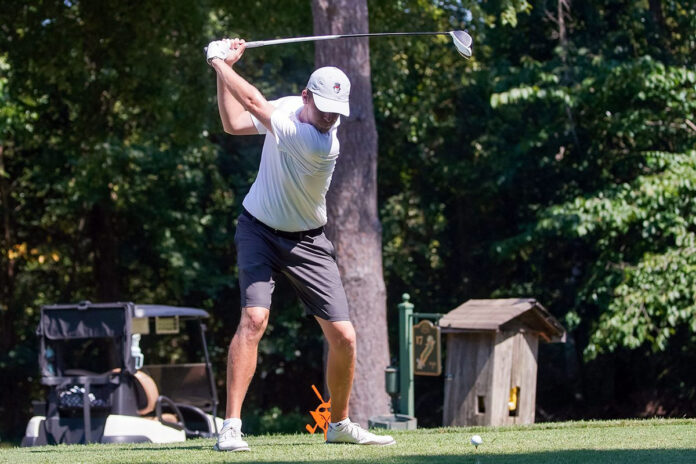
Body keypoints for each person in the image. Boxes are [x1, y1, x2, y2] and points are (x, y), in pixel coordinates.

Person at [206, 38, 395, 452]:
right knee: (254, 320)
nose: (331, 119)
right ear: (307, 96)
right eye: (325, 110)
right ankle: (231, 426)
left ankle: (339, 422)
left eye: (337, 114)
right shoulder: (289, 108)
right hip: (258, 229)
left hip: (307, 241)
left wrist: (219, 62)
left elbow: (254, 103)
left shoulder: (322, 143)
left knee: (344, 337)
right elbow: (234, 123)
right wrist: (222, 74)